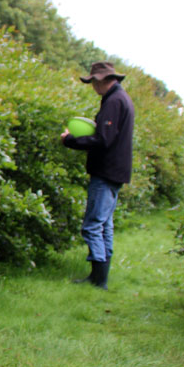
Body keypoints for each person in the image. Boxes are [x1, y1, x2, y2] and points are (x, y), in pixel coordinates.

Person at [60, 61, 134, 290]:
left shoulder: (114, 101)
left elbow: (103, 140)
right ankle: (99, 277)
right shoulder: (121, 99)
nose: (93, 87)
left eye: (93, 82)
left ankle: (98, 279)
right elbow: (107, 133)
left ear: (102, 80)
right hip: (115, 171)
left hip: (106, 171)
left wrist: (70, 140)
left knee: (93, 225)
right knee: (104, 225)